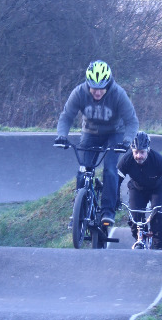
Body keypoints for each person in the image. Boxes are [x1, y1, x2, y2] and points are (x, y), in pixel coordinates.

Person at [54, 60, 138, 228]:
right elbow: (66, 116)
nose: (97, 93)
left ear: (108, 84)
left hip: (114, 133)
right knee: (83, 170)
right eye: (93, 88)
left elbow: (132, 121)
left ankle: (108, 211)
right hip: (90, 133)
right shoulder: (79, 93)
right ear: (88, 84)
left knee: (110, 169)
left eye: (101, 89)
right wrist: (62, 136)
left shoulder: (118, 94)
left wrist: (126, 141)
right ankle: (78, 212)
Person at [117, 131, 162, 250]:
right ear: (132, 150)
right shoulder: (127, 160)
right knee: (134, 217)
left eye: (142, 152)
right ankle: (140, 238)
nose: (139, 156)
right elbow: (115, 181)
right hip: (137, 188)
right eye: (136, 152)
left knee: (159, 215)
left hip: (158, 188)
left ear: (148, 150)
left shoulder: (158, 160)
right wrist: (115, 198)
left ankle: (159, 247)